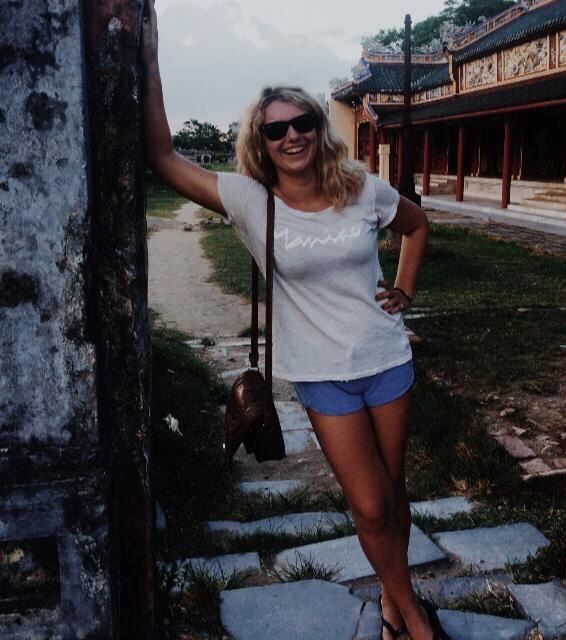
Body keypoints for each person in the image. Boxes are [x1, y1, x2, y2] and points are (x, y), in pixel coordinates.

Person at [141, 2, 449, 639]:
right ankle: (417, 623)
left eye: (302, 122)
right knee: (369, 504)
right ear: (260, 141)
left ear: (318, 126)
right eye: (276, 129)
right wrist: (148, 63)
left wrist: (403, 290)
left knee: (394, 491)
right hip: (322, 373)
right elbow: (164, 158)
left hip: (386, 358)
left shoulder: (359, 186)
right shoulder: (249, 200)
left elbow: (417, 226)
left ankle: (393, 604)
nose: (292, 136)